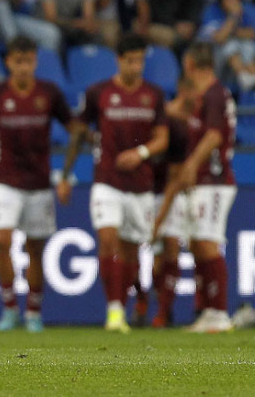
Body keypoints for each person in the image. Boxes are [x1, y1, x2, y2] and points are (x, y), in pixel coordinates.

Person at [58, 34, 168, 333]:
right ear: (119, 61)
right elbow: (79, 133)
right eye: (131, 60)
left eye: (140, 60)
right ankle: (114, 311)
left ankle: (134, 296)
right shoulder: (98, 93)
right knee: (108, 241)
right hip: (106, 180)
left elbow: (163, 138)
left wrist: (141, 152)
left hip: (141, 185)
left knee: (132, 252)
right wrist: (66, 175)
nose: (136, 66)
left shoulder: (154, 95)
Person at [0, 36, 72, 333]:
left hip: (39, 183)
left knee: (35, 250)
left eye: (29, 61)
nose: (23, 67)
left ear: (35, 62)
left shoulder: (49, 94)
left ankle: (33, 311)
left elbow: (75, 129)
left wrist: (67, 175)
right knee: (3, 240)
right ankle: (10, 308)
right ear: (9, 62)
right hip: (5, 181)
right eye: (18, 61)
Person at [155, 43, 237, 333]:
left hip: (214, 179)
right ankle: (210, 311)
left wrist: (191, 164)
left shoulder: (214, 94)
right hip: (205, 181)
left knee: (208, 242)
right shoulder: (205, 97)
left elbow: (214, 136)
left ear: (190, 63)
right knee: (199, 245)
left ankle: (219, 313)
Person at [148, 78, 195, 328]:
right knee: (156, 257)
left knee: (173, 244)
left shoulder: (197, 118)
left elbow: (177, 177)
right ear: (182, 88)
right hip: (152, 191)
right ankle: (151, 301)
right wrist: (157, 219)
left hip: (179, 191)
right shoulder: (167, 119)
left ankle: (163, 312)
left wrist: (161, 217)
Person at [199, 0, 255, 91]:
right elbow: (219, 38)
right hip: (214, 63)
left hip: (238, 61)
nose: (234, 1)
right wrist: (233, 16)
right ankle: (244, 77)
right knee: (229, 43)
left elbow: (253, 34)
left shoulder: (246, 10)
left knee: (247, 44)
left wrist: (231, 32)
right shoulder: (211, 11)